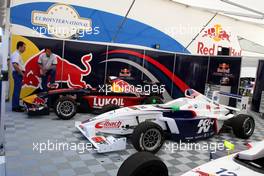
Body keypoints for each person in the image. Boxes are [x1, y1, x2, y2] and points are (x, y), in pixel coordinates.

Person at [11, 41, 26, 112]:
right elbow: (15, 65)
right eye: (24, 47)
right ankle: (15, 107)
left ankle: (16, 105)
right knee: (17, 90)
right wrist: (21, 73)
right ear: (20, 47)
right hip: (17, 74)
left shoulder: (17, 54)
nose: (24, 49)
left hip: (17, 74)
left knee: (17, 90)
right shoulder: (16, 54)